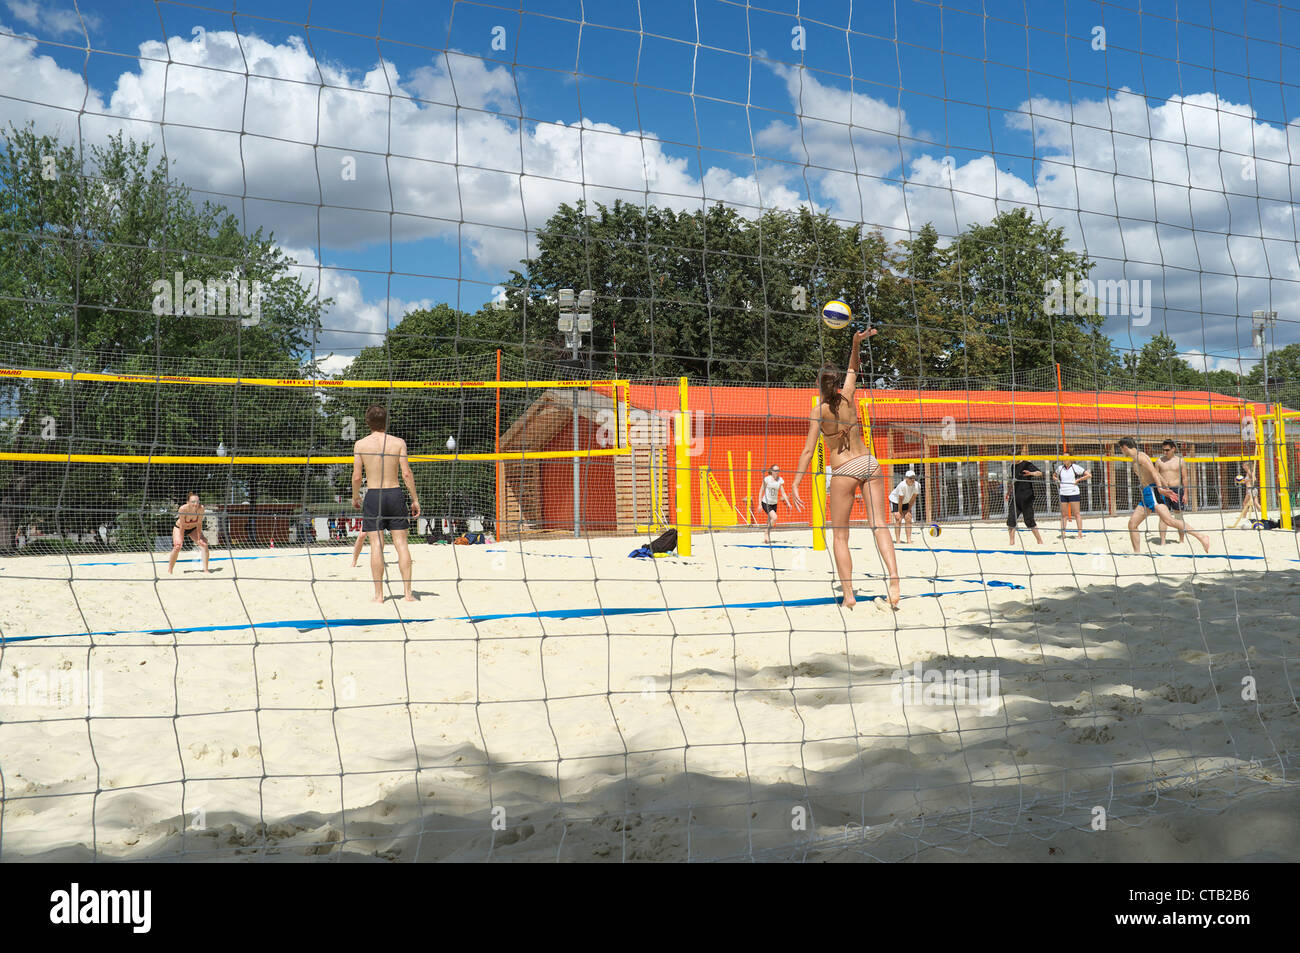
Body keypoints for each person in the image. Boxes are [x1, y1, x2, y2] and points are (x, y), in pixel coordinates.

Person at [791, 327, 901, 609]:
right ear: (838, 382)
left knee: (840, 536)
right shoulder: (849, 397)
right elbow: (855, 366)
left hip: (844, 470)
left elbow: (807, 450)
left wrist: (795, 482)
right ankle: (894, 577)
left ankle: (849, 596)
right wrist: (855, 342)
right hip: (868, 462)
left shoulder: (819, 410)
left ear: (819, 384)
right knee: (880, 525)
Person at [352, 404, 421, 602]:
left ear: (367, 422)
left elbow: (357, 477)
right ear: (386, 422)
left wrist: (356, 496)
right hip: (395, 493)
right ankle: (408, 594)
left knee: (376, 545)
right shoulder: (398, 442)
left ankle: (379, 596)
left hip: (373, 495)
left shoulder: (360, 444)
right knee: (401, 543)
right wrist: (415, 499)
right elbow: (406, 473)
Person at [1116, 436, 1209, 553]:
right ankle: (1137, 553)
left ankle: (1201, 537)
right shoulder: (1136, 458)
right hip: (1147, 493)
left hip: (1152, 491)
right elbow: (1156, 474)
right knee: (1132, 524)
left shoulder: (1140, 457)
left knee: (1169, 520)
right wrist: (1165, 485)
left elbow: (1154, 473)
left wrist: (1160, 489)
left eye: (1121, 449)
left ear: (1124, 447)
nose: (1121, 451)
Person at [1007, 451, 1045, 545]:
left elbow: (1040, 473)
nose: (1011, 460)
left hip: (1027, 496)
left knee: (1028, 520)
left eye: (1012, 458)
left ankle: (1039, 540)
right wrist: (1008, 492)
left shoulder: (1026, 464)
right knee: (1011, 519)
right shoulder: (1012, 466)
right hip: (1016, 496)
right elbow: (1014, 481)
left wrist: (1031, 473)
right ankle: (1011, 542)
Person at [168, 492, 212, 574]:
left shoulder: (201, 509)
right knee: (177, 546)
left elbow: (199, 524)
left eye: (197, 502)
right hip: (180, 527)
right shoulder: (183, 509)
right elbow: (182, 525)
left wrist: (199, 538)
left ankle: (206, 570)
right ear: (188, 502)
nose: (195, 504)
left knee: (204, 544)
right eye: (193, 502)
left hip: (193, 528)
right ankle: (170, 570)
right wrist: (181, 538)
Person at [1155, 439, 1186, 544]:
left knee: (1178, 515)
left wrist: (1186, 494)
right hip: (1164, 491)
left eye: (1167, 450)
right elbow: (1155, 476)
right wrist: (1160, 488)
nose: (1165, 452)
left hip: (1177, 489)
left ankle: (1181, 540)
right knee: (1163, 516)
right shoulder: (1159, 461)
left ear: (1173, 449)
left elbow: (1185, 478)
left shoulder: (1180, 461)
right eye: (1163, 450)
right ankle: (1162, 541)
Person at [1052, 455, 1090, 540]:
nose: (1064, 459)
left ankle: (1080, 534)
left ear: (1070, 459)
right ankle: (1063, 534)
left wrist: (1078, 480)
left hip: (1073, 492)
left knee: (1076, 514)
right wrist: (1057, 480)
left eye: (1066, 458)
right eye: (1063, 458)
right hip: (1063, 492)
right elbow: (1053, 475)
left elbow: (1088, 475)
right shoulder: (1060, 468)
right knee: (1064, 515)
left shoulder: (1075, 467)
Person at [757, 464, 792, 544]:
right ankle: (766, 532)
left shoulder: (780, 480)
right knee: (775, 518)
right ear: (772, 471)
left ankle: (767, 536)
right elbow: (761, 491)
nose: (777, 472)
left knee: (770, 520)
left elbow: (783, 492)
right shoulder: (767, 479)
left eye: (778, 470)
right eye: (775, 470)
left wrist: (788, 502)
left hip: (774, 503)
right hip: (766, 502)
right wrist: (759, 504)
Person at [888, 470, 922, 543]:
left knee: (908, 517)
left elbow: (913, 499)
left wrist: (908, 511)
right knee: (898, 518)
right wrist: (900, 512)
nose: (912, 480)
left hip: (905, 501)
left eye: (913, 478)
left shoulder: (917, 485)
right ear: (906, 478)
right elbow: (900, 500)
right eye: (910, 478)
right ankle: (898, 540)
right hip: (895, 500)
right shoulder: (902, 485)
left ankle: (909, 540)